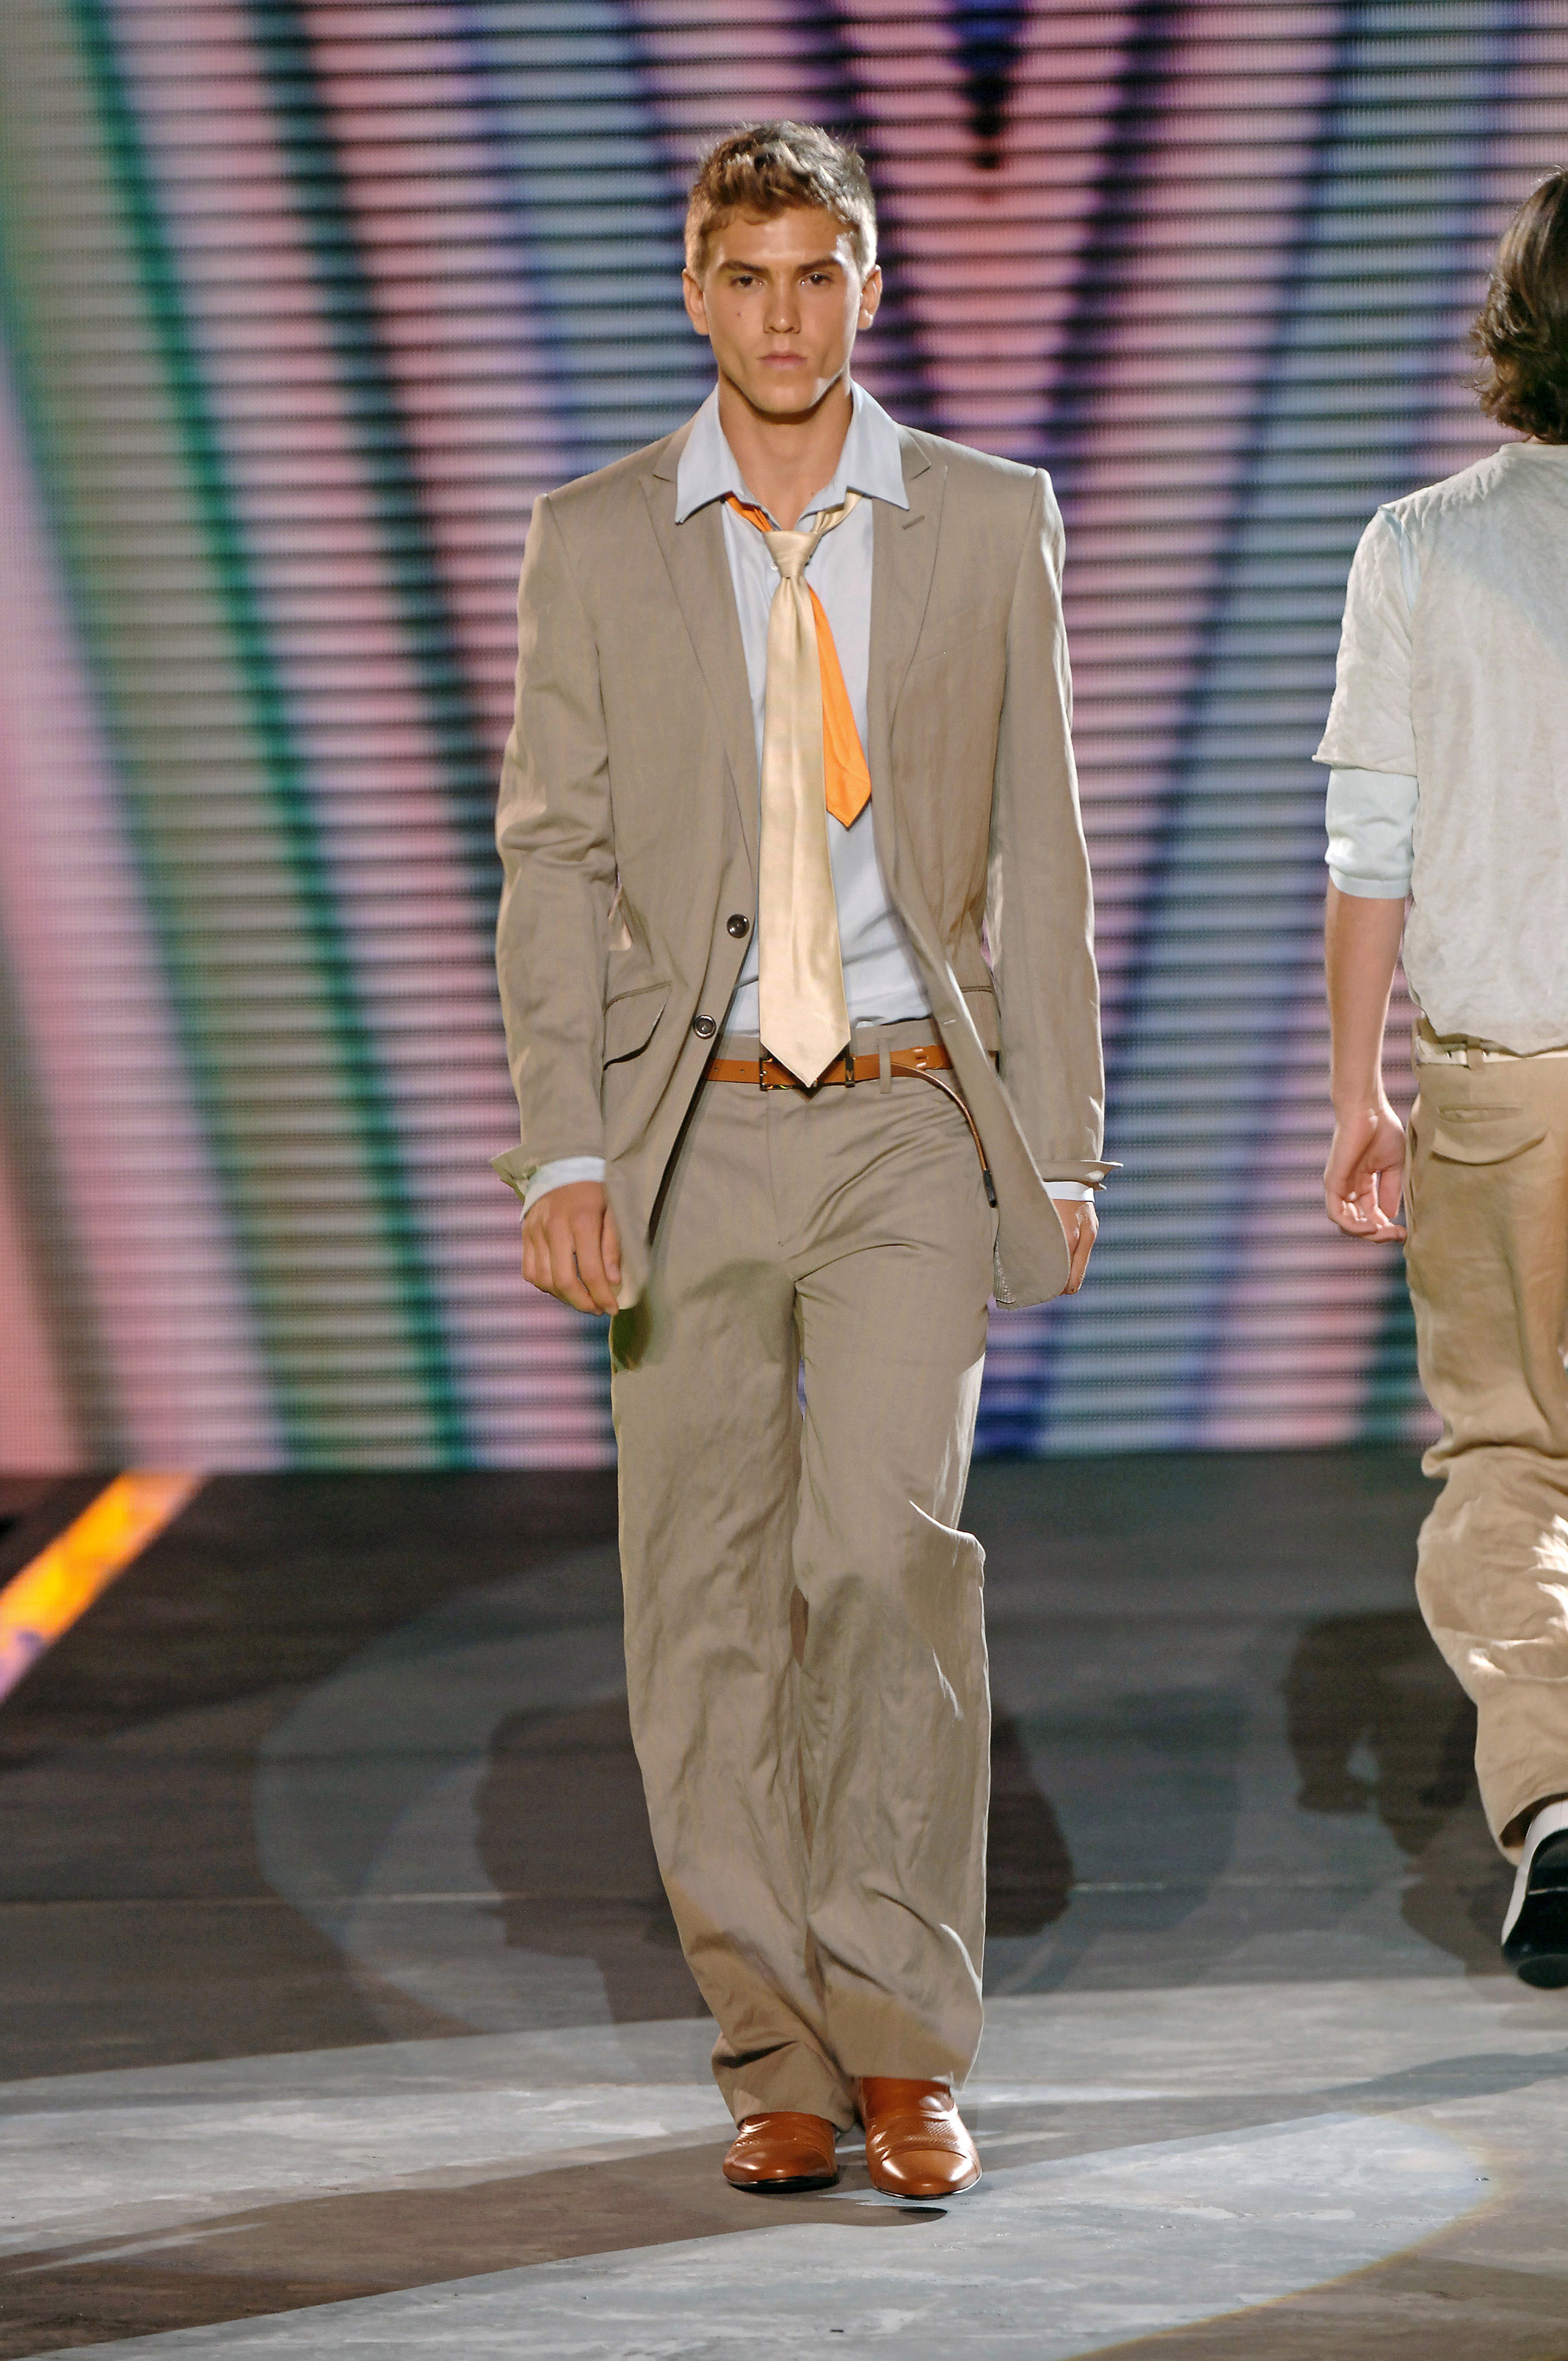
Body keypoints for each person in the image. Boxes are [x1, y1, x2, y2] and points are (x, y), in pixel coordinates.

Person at [493, 123, 1107, 2192]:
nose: (782, 314)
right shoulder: (596, 539)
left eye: (817, 273)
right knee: (703, 1597)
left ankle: (905, 2045)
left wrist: (1064, 1144)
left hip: (913, 1107)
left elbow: (1043, 849)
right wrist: (561, 1150)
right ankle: (774, 2050)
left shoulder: (986, 519)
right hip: (685, 1127)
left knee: (887, 1563)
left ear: (869, 287)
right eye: (745, 276)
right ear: (696, 293)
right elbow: (552, 861)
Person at [1318, 167, 1568, 1985]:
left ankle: (1559, 1801)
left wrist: (1357, 1094)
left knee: (1511, 1461)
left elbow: (1372, 850)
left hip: (1509, 1083)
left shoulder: (1423, 547)